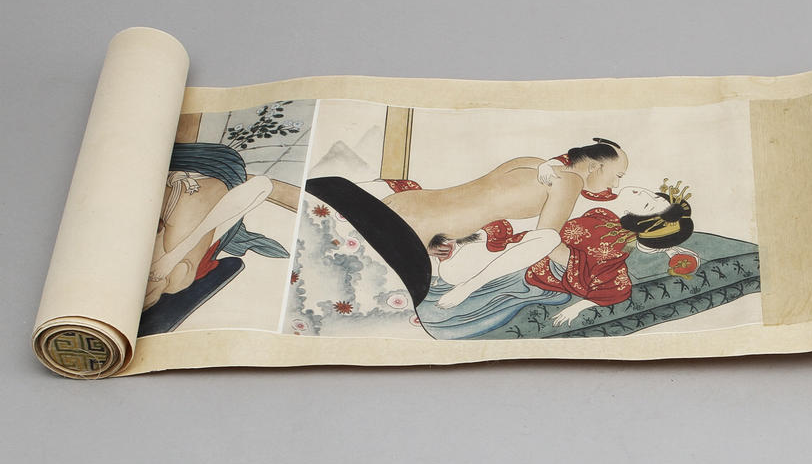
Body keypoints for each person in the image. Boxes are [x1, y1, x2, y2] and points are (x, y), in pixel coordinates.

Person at [304, 137, 628, 307]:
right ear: (595, 166)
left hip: (401, 202)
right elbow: (545, 238)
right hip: (411, 236)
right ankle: (468, 288)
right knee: (547, 240)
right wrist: (591, 265)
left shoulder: (533, 164)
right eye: (617, 175)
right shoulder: (569, 182)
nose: (614, 186)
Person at [415, 182, 696, 339]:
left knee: (547, 238)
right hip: (508, 247)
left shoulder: (613, 245)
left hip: (530, 269)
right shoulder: (602, 209)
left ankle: (468, 283)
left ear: (641, 223)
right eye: (651, 194)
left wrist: (577, 308)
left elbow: (613, 289)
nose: (643, 193)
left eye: (647, 204)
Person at [144, 143, 286, 312]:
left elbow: (262, 185)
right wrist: (171, 259)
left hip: (207, 178)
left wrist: (170, 259)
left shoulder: (174, 266)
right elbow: (261, 186)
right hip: (209, 184)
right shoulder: (177, 278)